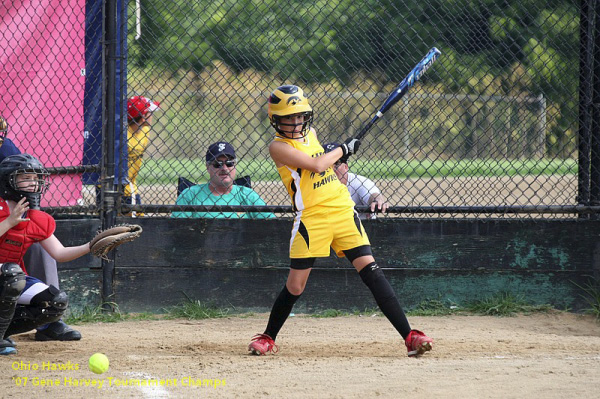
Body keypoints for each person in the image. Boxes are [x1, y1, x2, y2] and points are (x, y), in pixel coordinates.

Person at [247, 85, 433, 357]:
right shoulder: (278, 147)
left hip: (342, 209)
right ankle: (268, 336)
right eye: (289, 117)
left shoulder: (311, 133)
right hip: (312, 218)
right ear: (276, 119)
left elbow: (324, 161)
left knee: (371, 271)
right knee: (296, 285)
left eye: (300, 116)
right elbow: (317, 165)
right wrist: (343, 149)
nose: (296, 122)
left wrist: (339, 153)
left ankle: (410, 336)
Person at [0, 154, 94, 355]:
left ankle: (3, 333)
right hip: (7, 276)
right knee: (11, 275)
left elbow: (59, 253)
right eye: (26, 178)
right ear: (8, 180)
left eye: (35, 178)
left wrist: (90, 246)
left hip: (10, 278)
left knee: (54, 302)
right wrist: (9, 222)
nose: (33, 183)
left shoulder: (34, 217)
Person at [0, 115, 80, 341]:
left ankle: (48, 321)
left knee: (33, 236)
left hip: (5, 210)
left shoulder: (3, 146)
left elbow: (20, 180)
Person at [172, 141, 275, 219]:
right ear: (208, 167)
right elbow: (178, 232)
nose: (224, 168)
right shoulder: (190, 195)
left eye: (229, 163)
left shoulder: (248, 195)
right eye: (218, 164)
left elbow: (271, 225)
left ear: (235, 165)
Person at [323, 142, 389, 219]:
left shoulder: (358, 182)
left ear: (346, 167)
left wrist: (377, 201)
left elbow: (372, 194)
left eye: (336, 164)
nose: (331, 169)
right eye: (327, 165)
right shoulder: (316, 185)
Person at [124, 95, 161, 216]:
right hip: (121, 186)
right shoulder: (123, 135)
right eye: (149, 113)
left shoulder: (144, 132)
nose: (152, 116)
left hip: (131, 186)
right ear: (143, 117)